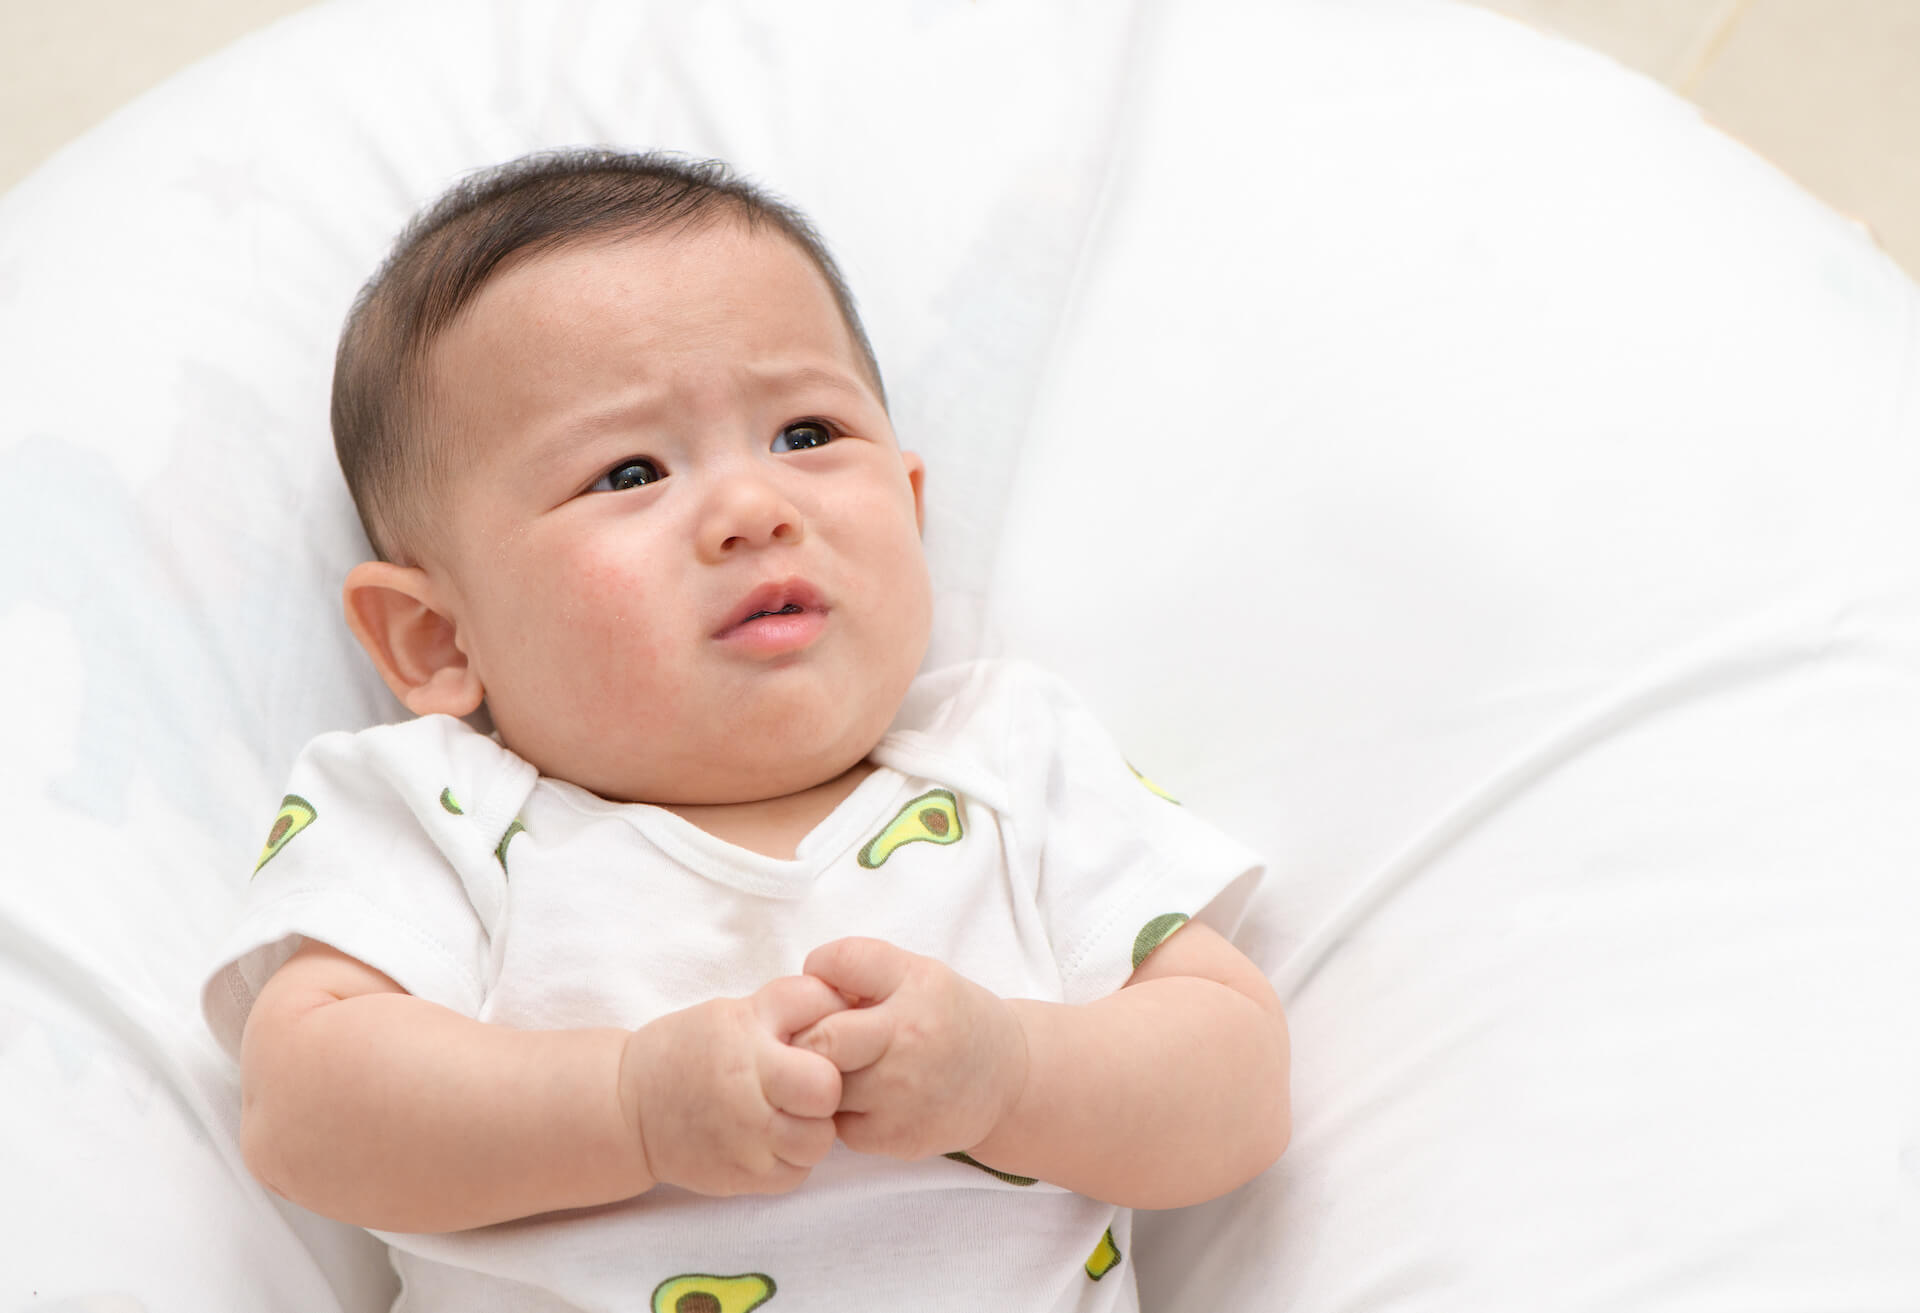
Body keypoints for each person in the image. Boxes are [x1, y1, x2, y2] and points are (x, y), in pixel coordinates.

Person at [202, 148, 1290, 1313]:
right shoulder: (442, 812)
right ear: (434, 638)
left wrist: (1011, 1073)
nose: (754, 508)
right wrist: (626, 1102)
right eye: (630, 469)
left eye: (807, 434)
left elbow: (1238, 1082)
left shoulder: (1012, 759)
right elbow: (304, 1108)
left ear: (913, 512)